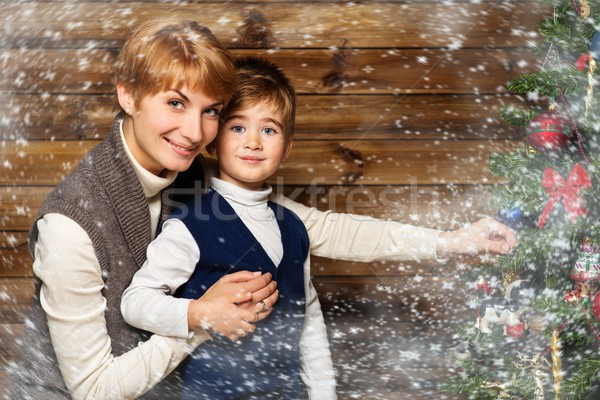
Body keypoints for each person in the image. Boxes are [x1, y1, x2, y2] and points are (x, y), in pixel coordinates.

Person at [10, 17, 517, 400]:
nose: (194, 131)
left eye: (210, 111)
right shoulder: (70, 226)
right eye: (175, 103)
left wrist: (449, 241)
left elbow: (321, 228)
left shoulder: (192, 168)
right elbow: (94, 388)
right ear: (128, 95)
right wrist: (204, 317)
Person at [121, 57, 335, 399]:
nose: (253, 142)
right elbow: (135, 303)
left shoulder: (294, 228)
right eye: (237, 127)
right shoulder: (191, 225)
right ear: (212, 142)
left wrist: (325, 394)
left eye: (269, 129)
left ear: (287, 147)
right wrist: (199, 314)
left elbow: (308, 319)